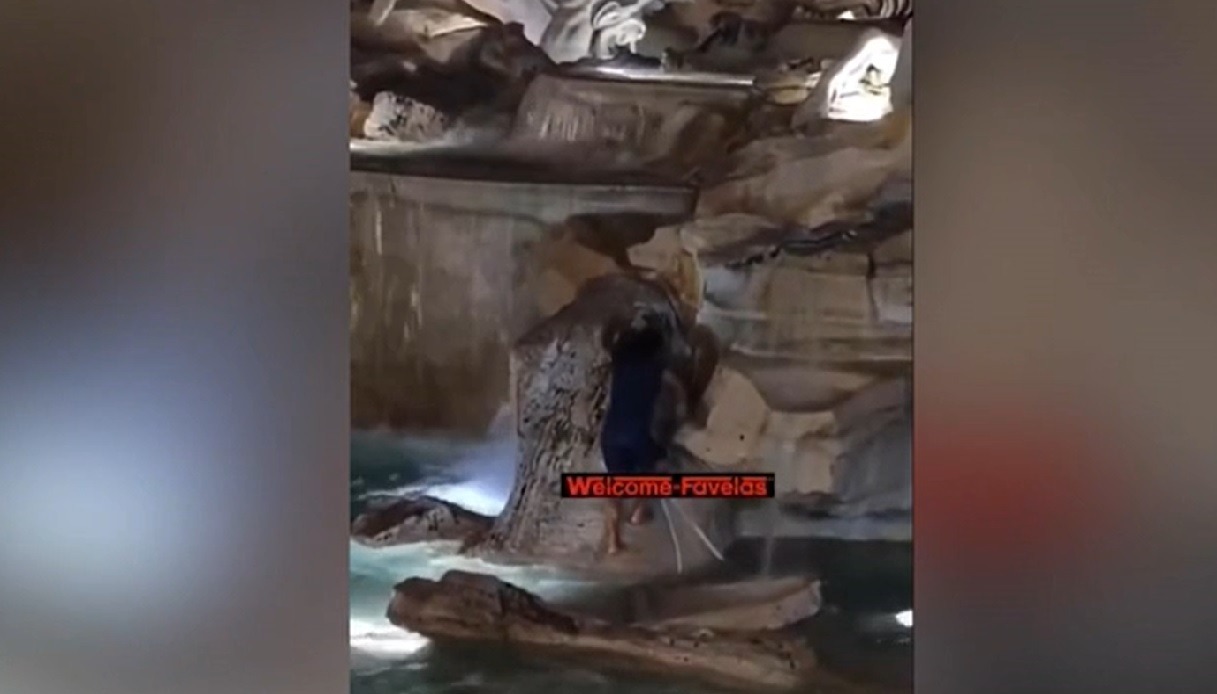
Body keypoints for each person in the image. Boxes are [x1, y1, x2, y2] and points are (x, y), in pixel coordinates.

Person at [599, 311, 681, 554]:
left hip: (611, 434)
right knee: (651, 469)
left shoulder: (620, 364)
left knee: (615, 486)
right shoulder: (656, 368)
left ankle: (613, 541)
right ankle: (639, 511)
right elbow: (677, 391)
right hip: (637, 432)